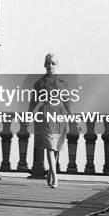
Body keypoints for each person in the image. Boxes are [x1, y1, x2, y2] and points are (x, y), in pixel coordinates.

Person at [32, 53, 71, 188]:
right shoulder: (39, 83)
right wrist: (30, 115)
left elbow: (67, 102)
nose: (50, 65)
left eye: (53, 63)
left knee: (56, 147)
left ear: (57, 65)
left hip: (60, 115)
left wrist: (73, 119)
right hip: (46, 114)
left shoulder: (62, 83)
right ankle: (55, 175)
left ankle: (50, 172)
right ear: (44, 65)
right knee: (49, 146)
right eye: (48, 63)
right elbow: (35, 101)